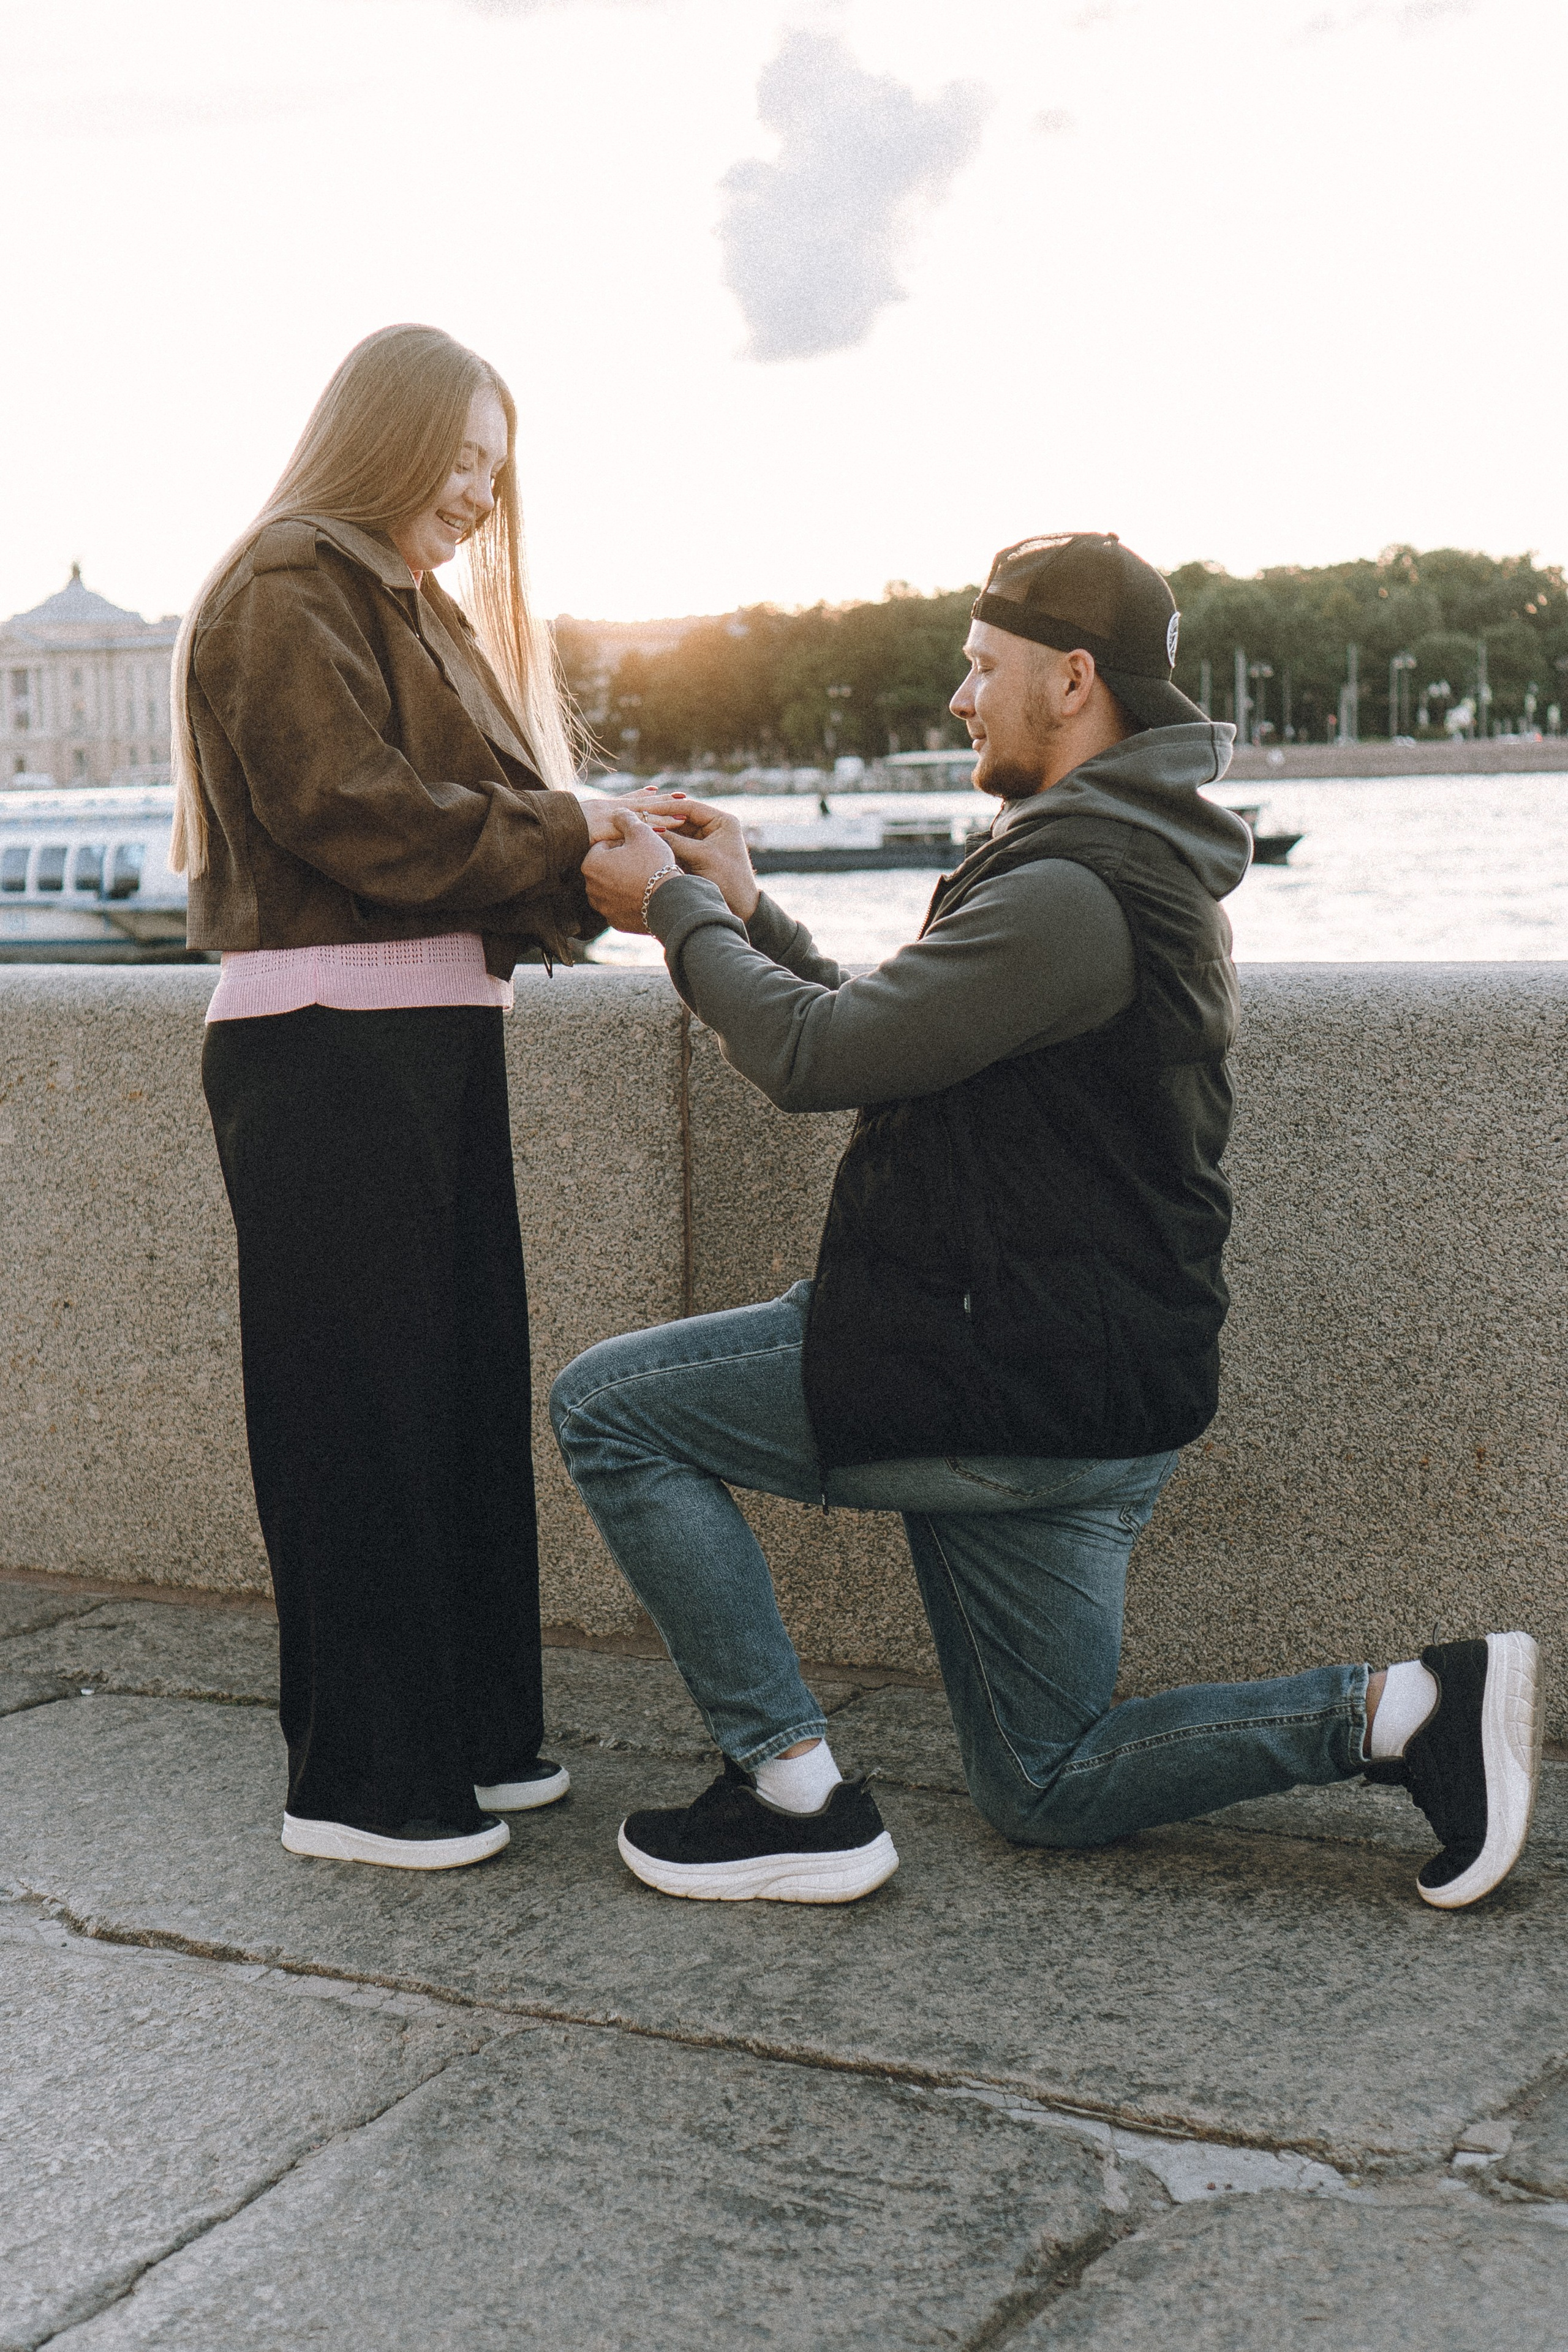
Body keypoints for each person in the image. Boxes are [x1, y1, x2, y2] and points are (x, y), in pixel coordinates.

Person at [553, 532, 1543, 1910]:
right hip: (1084, 1378)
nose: (959, 697)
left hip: (995, 1371)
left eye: (981, 667)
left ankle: (787, 1794)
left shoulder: (1072, 888)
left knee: (609, 1410)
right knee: (1045, 1780)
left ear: (1070, 678)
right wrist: (743, 910)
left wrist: (664, 908)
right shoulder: (1114, 860)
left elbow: (814, 1063)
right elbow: (884, 1035)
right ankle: (1401, 1712)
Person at [176, 323, 631, 1870]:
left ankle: (467, 1742)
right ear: (383, 432)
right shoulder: (288, 582)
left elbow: (457, 818)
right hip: (326, 1056)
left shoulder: (387, 592)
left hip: (415, 1043)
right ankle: (361, 1788)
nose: (477, 497)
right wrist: (576, 834)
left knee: (447, 1409)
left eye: (496, 475)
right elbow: (354, 814)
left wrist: (603, 830)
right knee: (360, 1422)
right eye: (459, 459)